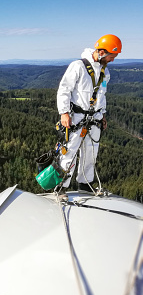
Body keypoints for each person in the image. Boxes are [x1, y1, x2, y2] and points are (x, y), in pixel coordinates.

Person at [56, 34, 122, 194]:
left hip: (95, 118)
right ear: (102, 52)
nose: (112, 60)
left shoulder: (105, 72)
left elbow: (101, 95)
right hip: (76, 117)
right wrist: (64, 113)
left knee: (91, 152)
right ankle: (61, 187)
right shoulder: (78, 66)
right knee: (70, 151)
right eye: (112, 56)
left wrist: (103, 115)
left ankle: (85, 183)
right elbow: (64, 89)